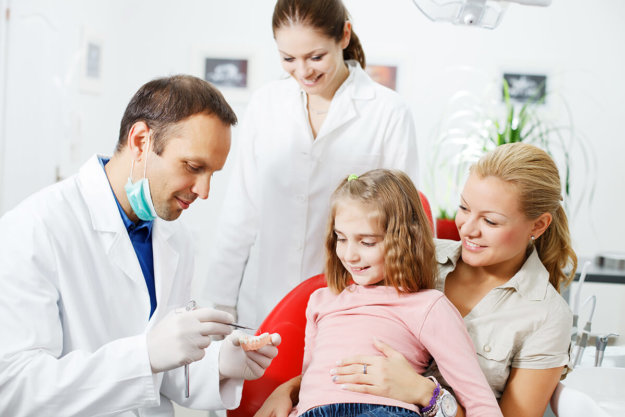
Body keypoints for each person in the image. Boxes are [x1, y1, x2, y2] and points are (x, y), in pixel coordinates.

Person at [0, 75, 281, 416]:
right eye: (193, 167)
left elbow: (164, 370)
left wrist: (220, 364)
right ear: (140, 140)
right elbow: (15, 387)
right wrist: (144, 354)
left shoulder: (175, 239)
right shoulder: (34, 228)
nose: (204, 191)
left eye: (213, 174)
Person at [256, 143, 576, 417]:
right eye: (464, 208)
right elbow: (347, 334)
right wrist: (292, 389)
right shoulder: (405, 256)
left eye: (491, 221)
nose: (468, 229)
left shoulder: (546, 316)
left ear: (538, 225)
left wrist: (426, 395)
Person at [201, 0, 419, 329]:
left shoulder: (388, 112)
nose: (303, 71)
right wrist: (219, 305)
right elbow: (240, 213)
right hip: (263, 302)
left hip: (350, 304)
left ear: (344, 35)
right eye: (289, 59)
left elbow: (404, 224)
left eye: (316, 57)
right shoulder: (266, 105)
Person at [292, 169, 501, 417]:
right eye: (341, 238)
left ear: (404, 241)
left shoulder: (428, 306)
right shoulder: (321, 301)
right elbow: (310, 383)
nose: (350, 255)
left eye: (367, 242)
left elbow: (481, 403)